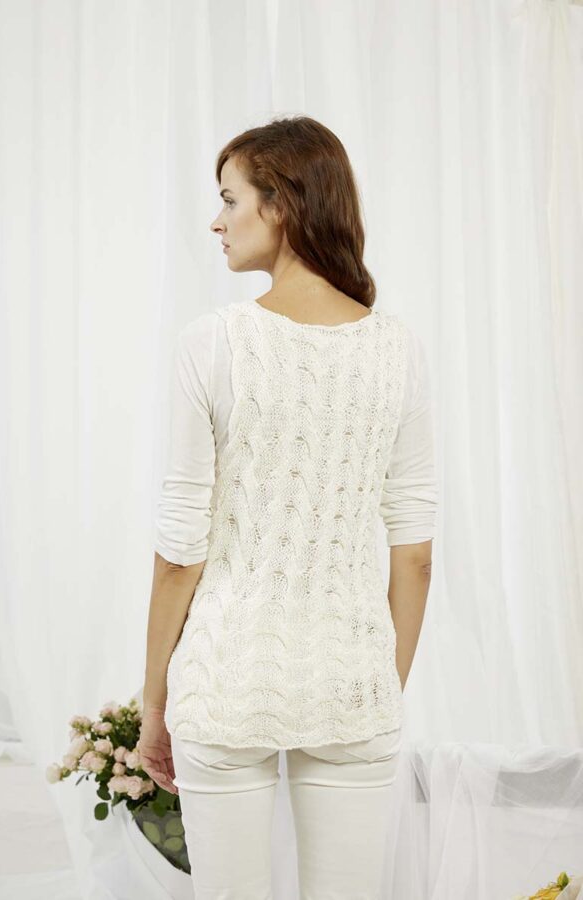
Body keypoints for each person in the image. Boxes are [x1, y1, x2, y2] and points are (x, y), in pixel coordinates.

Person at [141, 115, 438, 900]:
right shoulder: (398, 349)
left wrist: (154, 701)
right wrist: (379, 684)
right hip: (353, 685)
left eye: (228, 198)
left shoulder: (213, 343)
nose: (216, 221)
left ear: (280, 204)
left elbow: (180, 551)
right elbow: (415, 550)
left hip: (225, 681)